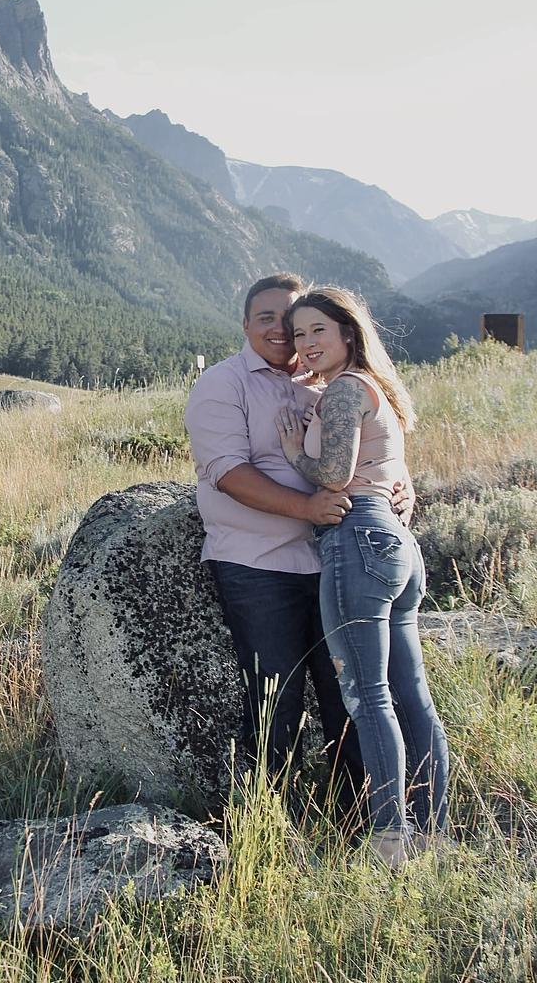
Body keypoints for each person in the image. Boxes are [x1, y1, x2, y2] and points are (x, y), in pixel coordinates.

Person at [184, 274, 413, 812]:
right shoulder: (222, 384)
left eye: (291, 321)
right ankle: (268, 825)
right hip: (258, 564)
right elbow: (228, 473)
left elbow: (368, 444)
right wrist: (307, 508)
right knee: (276, 696)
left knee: (346, 695)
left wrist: (399, 485)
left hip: (333, 559)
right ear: (246, 324)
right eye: (266, 318)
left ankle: (354, 821)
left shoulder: (325, 381)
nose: (282, 331)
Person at [275, 286, 449, 865]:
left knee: (368, 696)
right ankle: (431, 830)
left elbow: (333, 474)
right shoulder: (373, 387)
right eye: (299, 334)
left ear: (348, 332)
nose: (306, 343)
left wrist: (294, 450)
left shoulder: (346, 390)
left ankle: (390, 839)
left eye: (318, 330)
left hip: (356, 538)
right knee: (410, 693)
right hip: (394, 544)